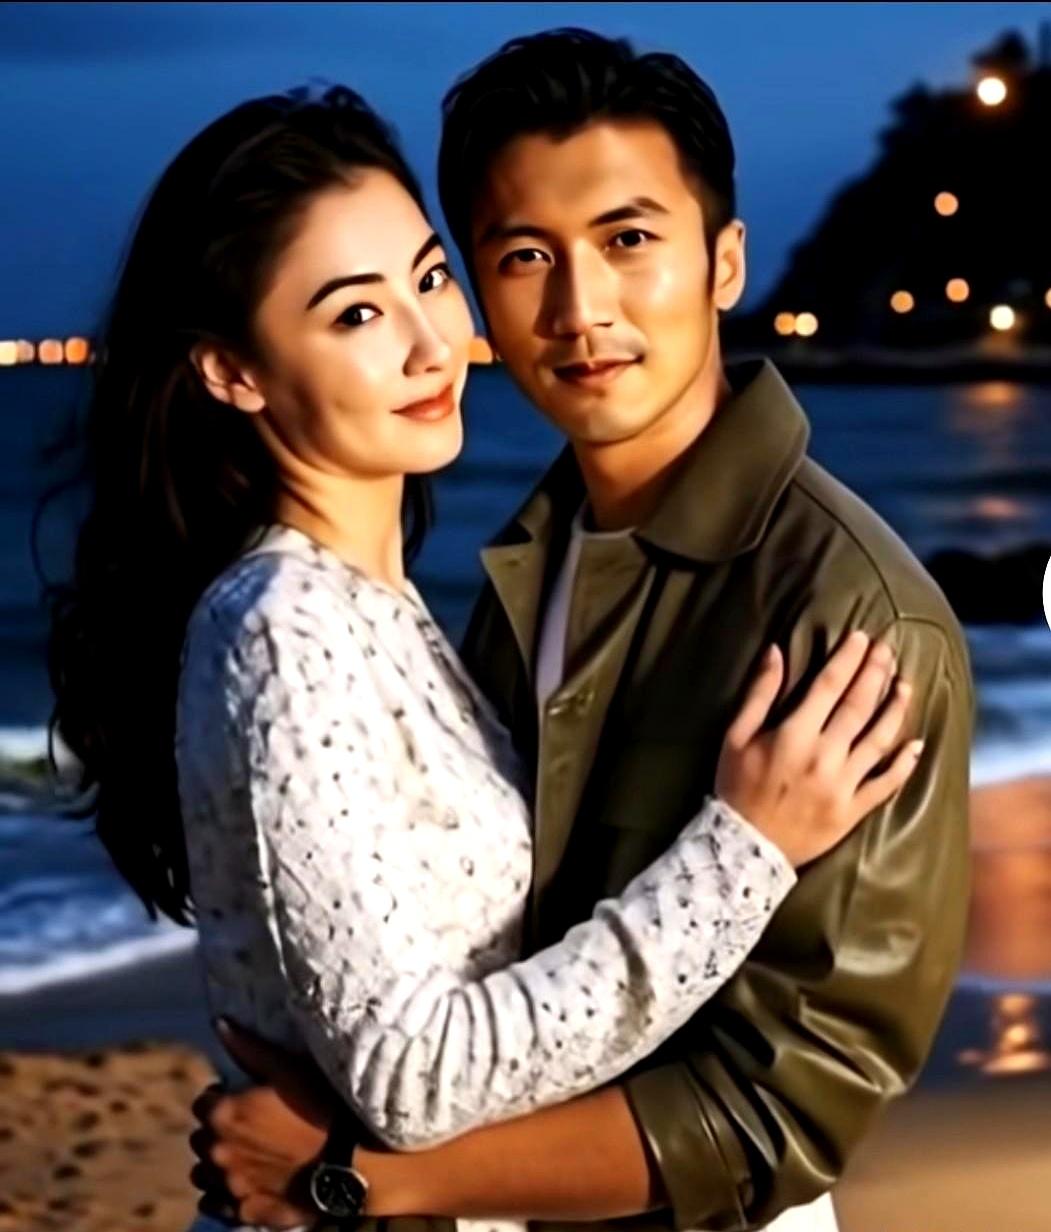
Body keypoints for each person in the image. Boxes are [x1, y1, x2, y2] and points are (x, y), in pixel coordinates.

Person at [42, 70, 922, 1232]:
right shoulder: (285, 626)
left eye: (428, 279)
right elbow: (411, 1077)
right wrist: (744, 848)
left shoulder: (385, 608)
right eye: (355, 315)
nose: (431, 344)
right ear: (232, 371)